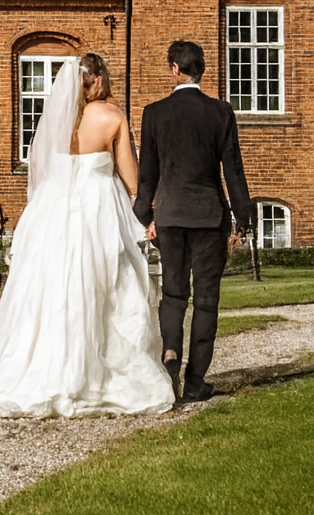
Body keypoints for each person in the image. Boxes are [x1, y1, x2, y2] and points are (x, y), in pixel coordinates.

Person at [0, 54, 175, 418]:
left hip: (53, 212)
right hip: (96, 211)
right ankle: (96, 375)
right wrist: (144, 206)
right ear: (97, 79)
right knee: (105, 285)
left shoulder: (58, 120)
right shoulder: (112, 116)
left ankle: (47, 367)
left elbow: (43, 168)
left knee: (51, 289)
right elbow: (131, 178)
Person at [133, 40, 252, 403]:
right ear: (201, 69)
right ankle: (196, 380)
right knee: (205, 300)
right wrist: (244, 218)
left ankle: (171, 353)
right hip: (208, 216)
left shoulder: (154, 113)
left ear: (175, 68)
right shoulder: (220, 112)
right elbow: (233, 169)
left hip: (170, 216)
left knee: (173, 294)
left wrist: (146, 216)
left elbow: (147, 175)